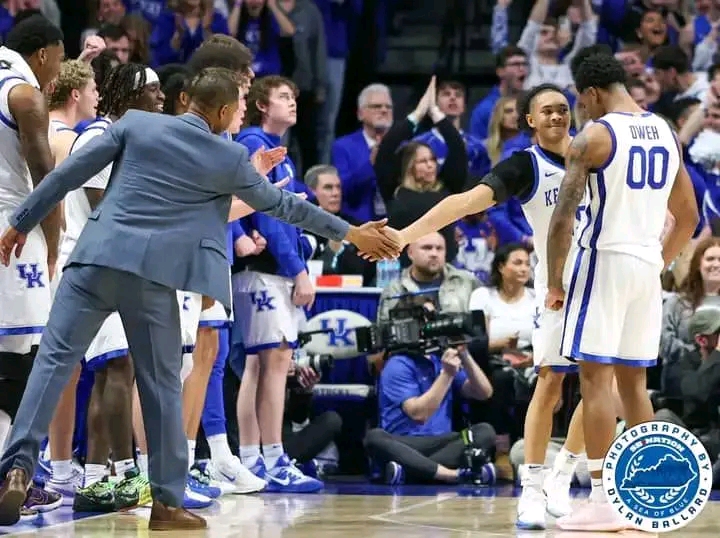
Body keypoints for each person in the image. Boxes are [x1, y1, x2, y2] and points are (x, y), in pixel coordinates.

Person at [0, 67, 400, 529]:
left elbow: (66, 174)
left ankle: (16, 470)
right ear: (225, 112)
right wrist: (351, 232)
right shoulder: (227, 156)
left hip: (93, 258)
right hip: (152, 277)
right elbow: (285, 206)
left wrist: (20, 223)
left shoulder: (135, 123)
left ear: (188, 99)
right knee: (162, 387)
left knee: (51, 365)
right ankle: (167, 503)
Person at [374, 83, 624, 531]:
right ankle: (532, 488)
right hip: (557, 285)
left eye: (562, 109)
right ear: (529, 120)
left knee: (601, 386)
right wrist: (405, 234)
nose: (556, 116)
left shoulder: (598, 153)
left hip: (602, 279)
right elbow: (463, 202)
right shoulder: (524, 165)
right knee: (550, 383)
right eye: (546, 111)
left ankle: (564, 474)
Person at [544, 50, 699, 531]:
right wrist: (658, 262)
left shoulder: (594, 136)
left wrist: (554, 281)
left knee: (595, 382)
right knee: (634, 385)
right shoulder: (666, 131)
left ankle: (602, 499)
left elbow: (562, 219)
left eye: (580, 101)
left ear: (591, 93)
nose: (581, 110)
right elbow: (689, 217)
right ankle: (646, 495)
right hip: (645, 265)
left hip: (603, 261)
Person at [0, 14, 65, 519]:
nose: (56, 73)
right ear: (42, 54)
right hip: (11, 232)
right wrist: (54, 241)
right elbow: (47, 183)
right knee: (22, 362)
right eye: (58, 62)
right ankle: (14, 474)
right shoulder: (25, 95)